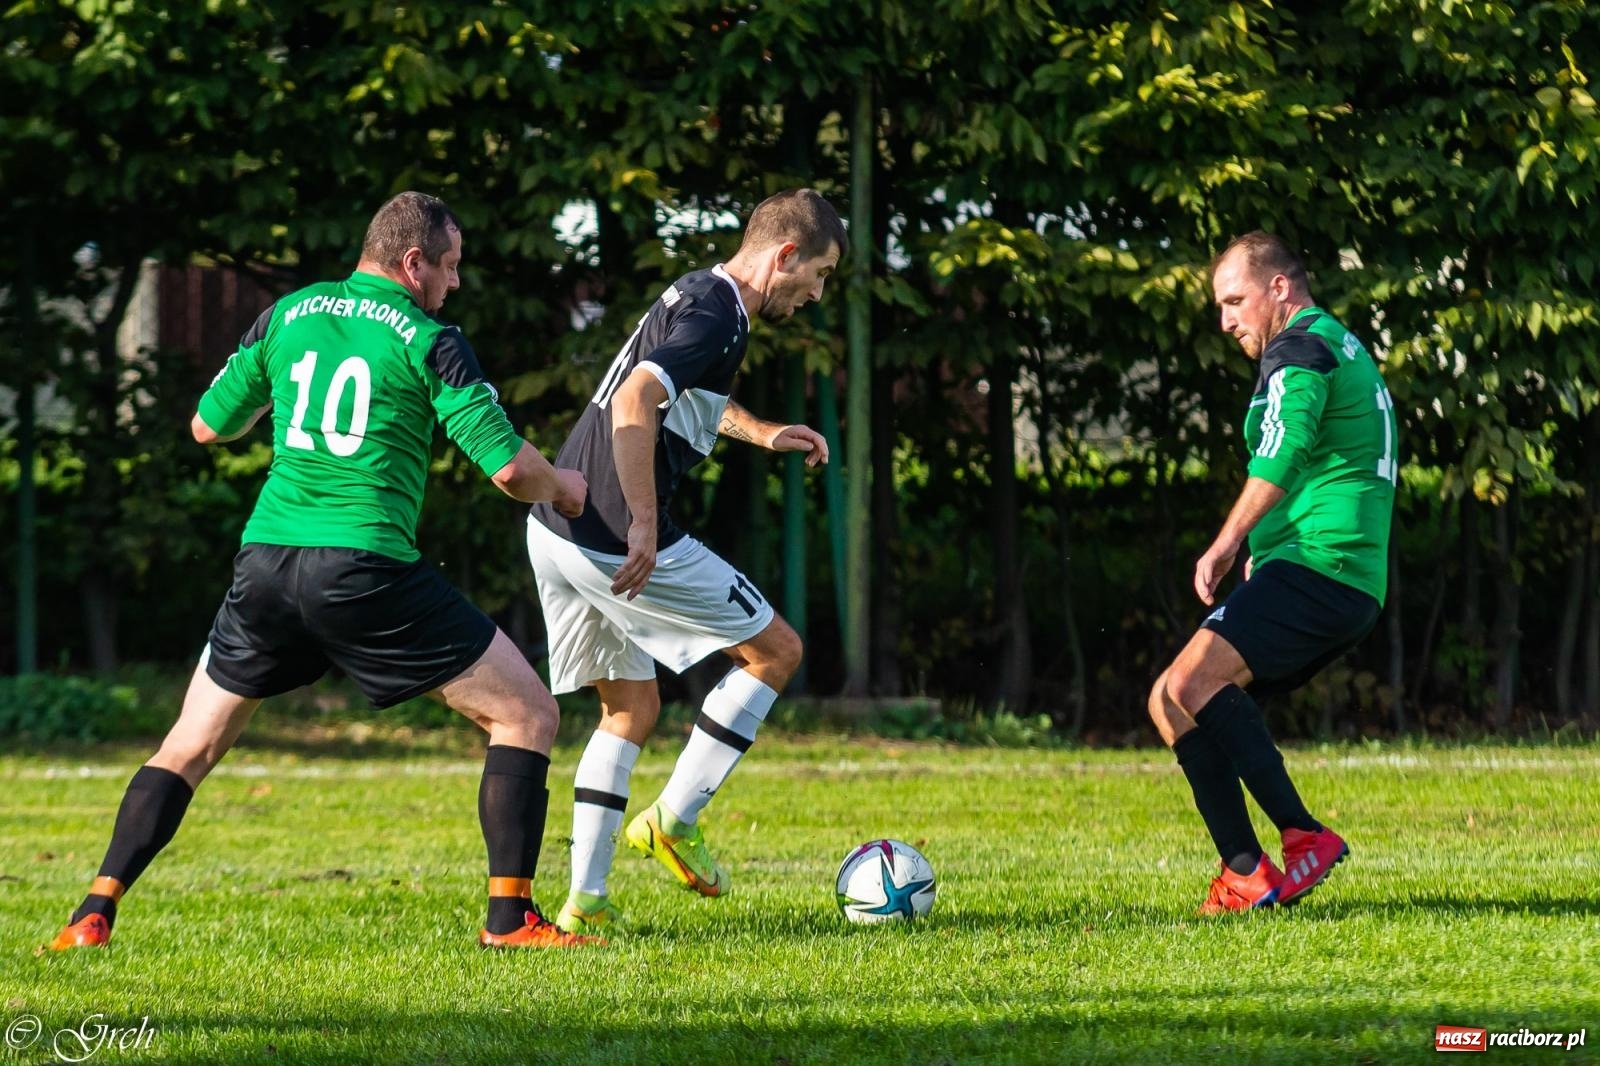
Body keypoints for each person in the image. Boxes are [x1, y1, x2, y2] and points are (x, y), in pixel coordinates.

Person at [47, 192, 601, 952]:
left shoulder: (289, 313)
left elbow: (210, 425)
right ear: (413, 263)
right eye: (450, 266)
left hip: (267, 564)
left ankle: (92, 912)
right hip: (363, 567)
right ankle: (510, 920)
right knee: (528, 714)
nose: (456, 283)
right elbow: (508, 468)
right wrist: (567, 488)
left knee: (189, 743)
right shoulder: (431, 337)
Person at [525, 188, 845, 933]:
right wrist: (643, 522)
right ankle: (674, 819)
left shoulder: (701, 294)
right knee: (774, 652)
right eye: (819, 274)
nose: (815, 294)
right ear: (785, 256)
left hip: (556, 531)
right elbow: (638, 397)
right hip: (614, 535)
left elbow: (678, 394)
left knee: (629, 708)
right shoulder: (719, 312)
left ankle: (585, 907)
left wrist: (762, 431)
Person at [1149, 231, 1398, 914]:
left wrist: (1227, 541)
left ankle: (1303, 837)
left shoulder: (1298, 349)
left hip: (1323, 566)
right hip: (1328, 569)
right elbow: (1327, 454)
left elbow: (1287, 449)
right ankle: (1245, 873)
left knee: (1192, 681)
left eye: (1235, 301)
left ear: (1279, 288)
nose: (1226, 320)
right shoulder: (1331, 344)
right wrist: (1268, 539)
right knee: (1171, 701)